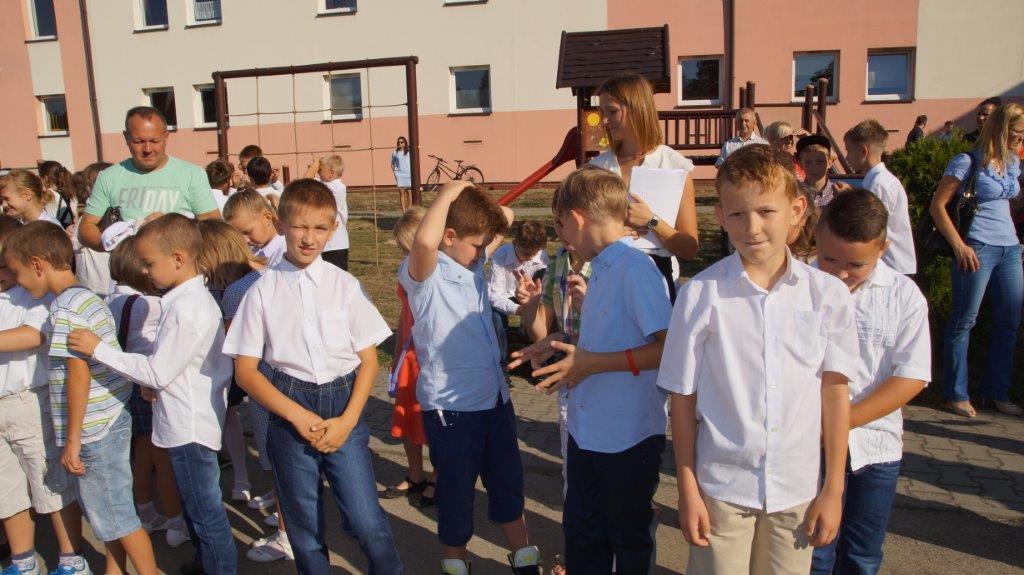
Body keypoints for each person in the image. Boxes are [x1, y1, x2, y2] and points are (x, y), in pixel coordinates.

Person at [658, 145, 858, 574]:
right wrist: (687, 487)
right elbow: (682, 398)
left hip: (796, 489)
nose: (752, 228)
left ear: (797, 210)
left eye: (767, 211)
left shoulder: (827, 295)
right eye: (737, 214)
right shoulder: (701, 295)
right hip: (722, 488)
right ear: (720, 217)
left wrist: (833, 488)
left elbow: (835, 392)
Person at [225, 179, 403, 574]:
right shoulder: (262, 291)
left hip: (343, 409)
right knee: (303, 527)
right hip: (289, 411)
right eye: (300, 227)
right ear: (280, 224)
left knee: (366, 521)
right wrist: (296, 415)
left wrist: (348, 421)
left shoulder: (345, 286)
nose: (309, 238)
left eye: (320, 228)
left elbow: (368, 362)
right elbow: (246, 371)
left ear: (334, 228)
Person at [509, 166, 671, 573]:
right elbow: (612, 338)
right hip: (589, 433)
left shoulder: (634, 268)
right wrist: (557, 342)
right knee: (584, 536)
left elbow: (669, 348)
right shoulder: (601, 268)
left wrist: (592, 363)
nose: (561, 234)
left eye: (560, 223)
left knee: (626, 541)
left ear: (577, 218)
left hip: (626, 437)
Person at [68, 214, 237, 574]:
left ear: (177, 258)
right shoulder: (181, 300)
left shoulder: (188, 308)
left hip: (190, 425)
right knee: (195, 506)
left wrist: (98, 349)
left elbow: (159, 370)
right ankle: (206, 563)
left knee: (205, 512)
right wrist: (154, 384)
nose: (144, 271)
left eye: (148, 263)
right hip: (182, 416)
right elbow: (171, 367)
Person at [2, 221, 157, 575]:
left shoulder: (64, 309)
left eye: (17, 272)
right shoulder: (85, 298)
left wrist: (72, 440)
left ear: (38, 265)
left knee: (118, 517)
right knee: (109, 514)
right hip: (107, 420)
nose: (18, 281)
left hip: (93, 429)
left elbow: (78, 374)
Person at [400, 181, 539, 575]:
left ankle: (524, 557)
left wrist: (474, 201)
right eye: (478, 245)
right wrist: (451, 191)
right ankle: (455, 563)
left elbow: (505, 217)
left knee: (508, 485)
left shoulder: (471, 262)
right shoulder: (424, 275)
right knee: (456, 494)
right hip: (453, 409)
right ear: (448, 236)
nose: (484, 251)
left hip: (495, 401)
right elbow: (424, 242)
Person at [811, 189, 931, 575]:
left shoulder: (904, 296)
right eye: (829, 259)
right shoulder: (797, 286)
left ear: (883, 248)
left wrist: (839, 423)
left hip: (875, 448)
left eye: (855, 264)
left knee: (862, 554)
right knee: (812, 551)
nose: (840, 274)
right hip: (809, 445)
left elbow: (911, 376)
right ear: (817, 236)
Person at [0, 216, 92, 575]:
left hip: (27, 401)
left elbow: (33, 335)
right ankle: (22, 559)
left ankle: (71, 558)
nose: (5, 275)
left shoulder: (33, 294)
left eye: (6, 268)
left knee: (49, 482)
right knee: (7, 490)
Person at [197, 220, 293, 564]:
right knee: (287, 459)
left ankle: (287, 535)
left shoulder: (235, 293)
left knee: (277, 461)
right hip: (286, 379)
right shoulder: (263, 276)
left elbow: (232, 349)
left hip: (264, 385)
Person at [930, 103, 1024, 417]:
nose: (1020, 139)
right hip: (977, 246)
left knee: (1008, 322)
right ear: (1000, 128)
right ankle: (955, 393)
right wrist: (959, 245)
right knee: (964, 320)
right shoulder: (967, 161)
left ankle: (997, 392)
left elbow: (1008, 201)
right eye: (1016, 132)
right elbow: (938, 206)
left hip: (1010, 248)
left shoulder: (1012, 162)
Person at [104, 234, 189, 549]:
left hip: (123, 384)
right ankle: (175, 521)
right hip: (147, 383)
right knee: (161, 457)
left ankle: (145, 510)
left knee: (141, 452)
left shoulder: (109, 301)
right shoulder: (152, 305)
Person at [588, 73, 699, 302]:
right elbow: (581, 237)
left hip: (657, 279)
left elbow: (689, 248)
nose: (605, 121)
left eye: (612, 111)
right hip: (607, 278)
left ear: (636, 108)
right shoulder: (597, 168)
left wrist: (652, 221)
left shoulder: (674, 166)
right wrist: (612, 233)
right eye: (603, 113)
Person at [517, 203, 592, 496]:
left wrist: (591, 305)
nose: (561, 232)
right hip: (570, 380)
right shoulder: (558, 264)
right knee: (572, 464)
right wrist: (530, 305)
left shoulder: (608, 266)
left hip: (606, 377)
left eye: (566, 223)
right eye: (556, 224)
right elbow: (540, 332)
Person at [78, 107, 220, 252]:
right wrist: (116, 245)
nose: (147, 149)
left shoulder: (192, 174)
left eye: (154, 141)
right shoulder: (109, 176)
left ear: (166, 137)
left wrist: (175, 227)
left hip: (178, 261)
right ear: (126, 137)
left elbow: (213, 223)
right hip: (129, 263)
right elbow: (85, 228)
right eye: (138, 141)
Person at [380, 206, 436, 508]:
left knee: (433, 419)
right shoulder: (406, 269)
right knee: (406, 416)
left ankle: (439, 476)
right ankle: (416, 474)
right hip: (410, 355)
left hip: (434, 356)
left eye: (408, 247)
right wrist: (397, 354)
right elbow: (405, 314)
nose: (405, 254)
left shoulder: (442, 271)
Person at [844, 119, 917, 275]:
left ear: (863, 151)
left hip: (890, 264)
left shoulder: (878, 185)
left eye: (849, 151)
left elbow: (870, 227)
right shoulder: (881, 181)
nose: (847, 157)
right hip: (891, 263)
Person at [488, 220, 550, 362]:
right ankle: (501, 360)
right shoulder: (501, 256)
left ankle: (541, 356)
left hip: (531, 296)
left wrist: (531, 306)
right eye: (526, 253)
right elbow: (495, 295)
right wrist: (519, 309)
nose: (531, 257)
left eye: (535, 253)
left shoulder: (542, 257)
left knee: (545, 312)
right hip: (506, 295)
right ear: (515, 243)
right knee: (495, 316)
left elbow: (544, 288)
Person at [70, 162, 114, 298]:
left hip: (93, 285)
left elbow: (73, 244)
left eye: (89, 184)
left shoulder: (89, 216)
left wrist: (69, 234)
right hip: (111, 282)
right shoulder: (117, 212)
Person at [305, 155, 350, 270]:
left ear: (331, 173)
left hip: (335, 245)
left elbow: (305, 182)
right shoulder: (327, 185)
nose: (318, 172)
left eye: (320, 169)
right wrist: (314, 167)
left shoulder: (337, 188)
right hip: (328, 243)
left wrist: (314, 166)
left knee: (337, 276)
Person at [223, 189, 286, 266]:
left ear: (267, 218)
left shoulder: (286, 253)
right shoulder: (255, 251)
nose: (245, 240)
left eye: (247, 232)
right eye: (238, 235)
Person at [798, 134, 841, 208]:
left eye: (820, 161)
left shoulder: (838, 193)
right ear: (800, 164)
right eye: (808, 162)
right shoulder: (794, 192)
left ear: (829, 163)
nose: (814, 167)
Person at [37, 161, 76, 229]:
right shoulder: (69, 193)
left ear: (45, 178)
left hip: (56, 230)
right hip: (68, 230)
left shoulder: (49, 194)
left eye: (39, 178)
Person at [392, 137, 413, 211]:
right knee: (401, 193)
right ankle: (404, 211)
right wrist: (395, 172)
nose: (400, 143)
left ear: (405, 143)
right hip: (400, 175)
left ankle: (409, 210)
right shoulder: (395, 153)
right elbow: (392, 164)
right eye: (398, 142)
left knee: (409, 193)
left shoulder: (409, 152)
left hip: (408, 174)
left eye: (401, 142)